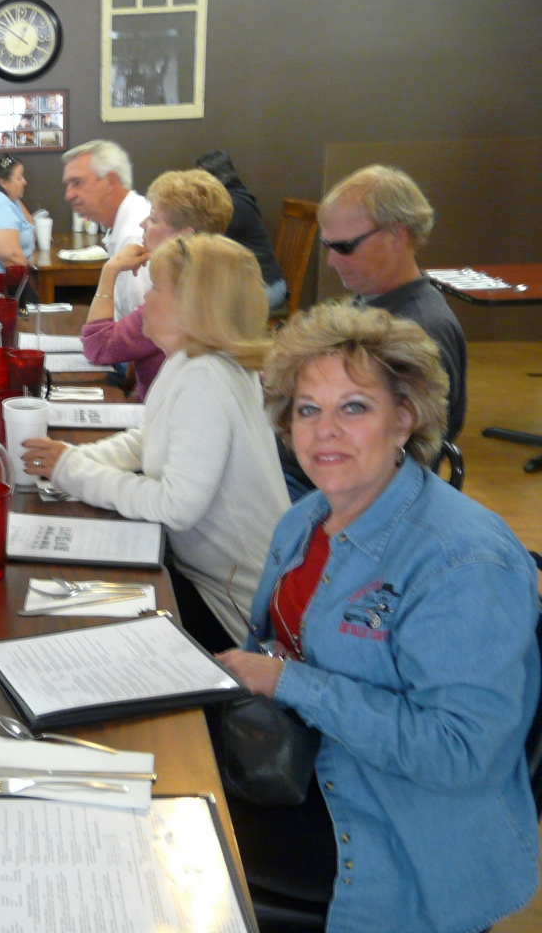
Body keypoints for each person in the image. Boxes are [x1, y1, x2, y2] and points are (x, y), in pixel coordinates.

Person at [216, 302, 539, 932]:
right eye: (308, 409)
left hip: (398, 826)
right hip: (301, 763)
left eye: (354, 407)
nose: (324, 430)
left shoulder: (465, 559)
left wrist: (285, 681)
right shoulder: (306, 517)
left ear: (406, 418)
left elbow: (459, 751)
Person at [23, 235, 289, 650]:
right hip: (206, 579)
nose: (146, 295)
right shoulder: (191, 361)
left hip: (240, 613)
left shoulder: (207, 379)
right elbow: (151, 438)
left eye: (157, 287)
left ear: (194, 305)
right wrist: (74, 459)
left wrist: (72, 470)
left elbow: (175, 506)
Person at [319, 164, 467, 441]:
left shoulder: (420, 330)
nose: (332, 261)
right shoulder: (374, 301)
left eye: (344, 248)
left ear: (396, 236)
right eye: (327, 246)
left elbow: (413, 449)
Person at [81, 169, 233, 400]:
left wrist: (109, 271)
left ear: (183, 236)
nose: (142, 224)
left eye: (153, 219)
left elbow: (97, 347)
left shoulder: (176, 298)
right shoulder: (213, 281)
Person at [61, 139, 152, 318]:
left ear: (110, 181)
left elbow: (143, 332)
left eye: (77, 182)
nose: (68, 195)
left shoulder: (134, 234)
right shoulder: (127, 221)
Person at [195, 149, 286, 309]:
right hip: (249, 283)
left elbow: (202, 241)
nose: (196, 184)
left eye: (202, 179)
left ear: (218, 177)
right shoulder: (231, 198)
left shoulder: (233, 205)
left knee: (211, 314)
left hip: (266, 287)